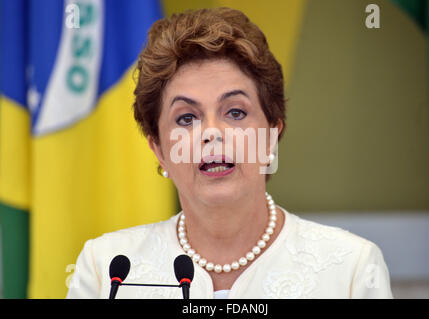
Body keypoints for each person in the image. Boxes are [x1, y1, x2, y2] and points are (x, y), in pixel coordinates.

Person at [66, 7, 393, 299]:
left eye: (235, 112)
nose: (212, 133)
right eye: (186, 118)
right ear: (159, 149)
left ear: (271, 135)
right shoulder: (106, 271)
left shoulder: (352, 270)